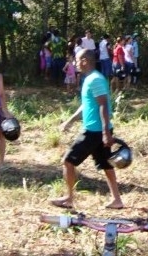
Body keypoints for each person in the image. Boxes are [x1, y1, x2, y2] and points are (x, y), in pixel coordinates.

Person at [52, 49, 124, 210]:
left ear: (84, 60)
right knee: (106, 164)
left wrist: (105, 132)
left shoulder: (95, 80)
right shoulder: (90, 79)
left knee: (68, 161)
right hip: (97, 130)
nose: (75, 62)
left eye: (77, 59)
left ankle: (69, 198)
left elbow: (103, 105)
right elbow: (87, 105)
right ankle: (117, 200)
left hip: (94, 132)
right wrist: (69, 121)